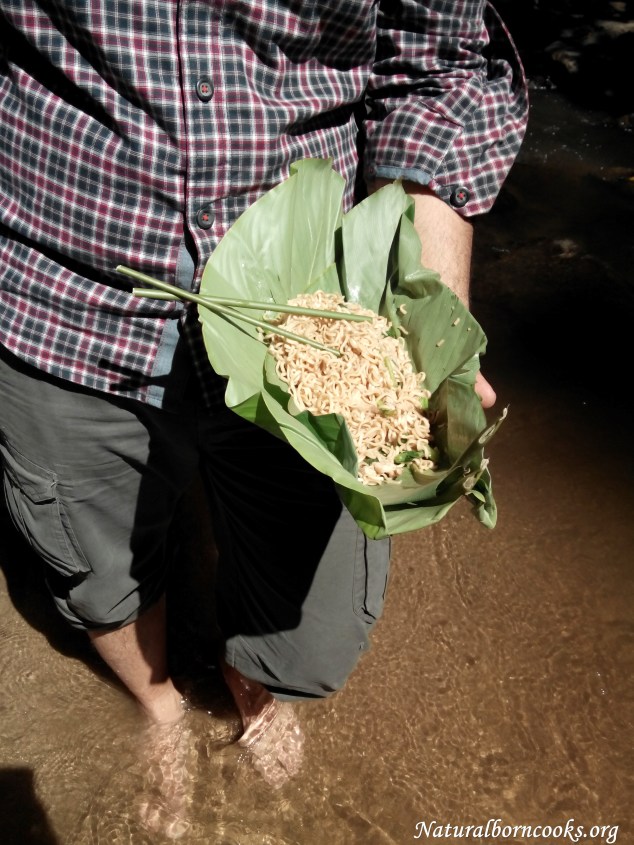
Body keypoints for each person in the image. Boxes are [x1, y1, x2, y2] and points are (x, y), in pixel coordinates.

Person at [0, 0, 527, 763]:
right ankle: (159, 706)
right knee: (94, 566)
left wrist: (427, 309)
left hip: (304, 294)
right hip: (63, 288)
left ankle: (252, 674)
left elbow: (439, 63)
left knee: (312, 645)